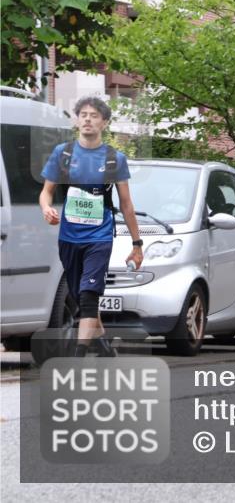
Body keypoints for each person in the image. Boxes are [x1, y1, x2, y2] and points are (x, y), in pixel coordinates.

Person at [38, 97, 144, 357]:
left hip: (100, 236)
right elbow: (46, 192)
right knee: (79, 295)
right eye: (83, 114)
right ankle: (101, 341)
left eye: (94, 115)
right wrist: (46, 209)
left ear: (104, 123)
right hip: (69, 237)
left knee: (88, 294)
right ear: (77, 120)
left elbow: (127, 204)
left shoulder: (113, 159)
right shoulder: (63, 153)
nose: (87, 119)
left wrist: (137, 244)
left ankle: (79, 354)